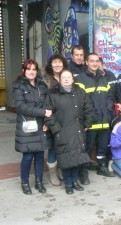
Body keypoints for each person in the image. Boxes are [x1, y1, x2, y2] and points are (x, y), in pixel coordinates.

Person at [44, 69, 94, 194]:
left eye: (68, 77)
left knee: (77, 158)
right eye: (63, 77)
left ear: (72, 79)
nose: (66, 79)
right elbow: (48, 114)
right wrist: (56, 130)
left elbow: (89, 110)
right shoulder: (53, 95)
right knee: (66, 159)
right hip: (62, 132)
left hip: (78, 131)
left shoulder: (80, 92)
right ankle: (68, 183)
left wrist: (86, 125)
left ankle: (74, 181)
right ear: (60, 80)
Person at [75, 53, 115, 184]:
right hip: (91, 122)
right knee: (87, 147)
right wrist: (89, 116)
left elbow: (109, 97)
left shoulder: (103, 78)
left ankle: (101, 166)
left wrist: (108, 111)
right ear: (86, 62)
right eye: (91, 61)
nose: (94, 63)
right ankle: (83, 172)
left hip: (104, 121)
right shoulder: (81, 78)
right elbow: (81, 101)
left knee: (102, 147)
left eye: (96, 61)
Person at [13, 59, 51, 195]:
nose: (31, 72)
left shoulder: (42, 85)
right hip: (27, 126)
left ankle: (39, 181)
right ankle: (24, 182)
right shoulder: (19, 86)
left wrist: (47, 122)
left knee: (40, 156)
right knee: (28, 156)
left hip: (41, 125)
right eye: (28, 69)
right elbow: (21, 107)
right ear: (24, 71)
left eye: (34, 69)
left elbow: (48, 104)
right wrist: (42, 112)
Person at [43, 54, 69, 186]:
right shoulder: (45, 80)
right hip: (52, 119)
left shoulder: (68, 78)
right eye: (55, 62)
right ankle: (52, 173)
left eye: (60, 62)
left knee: (63, 146)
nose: (58, 64)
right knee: (53, 146)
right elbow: (42, 102)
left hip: (66, 119)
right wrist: (46, 121)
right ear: (51, 65)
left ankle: (60, 169)